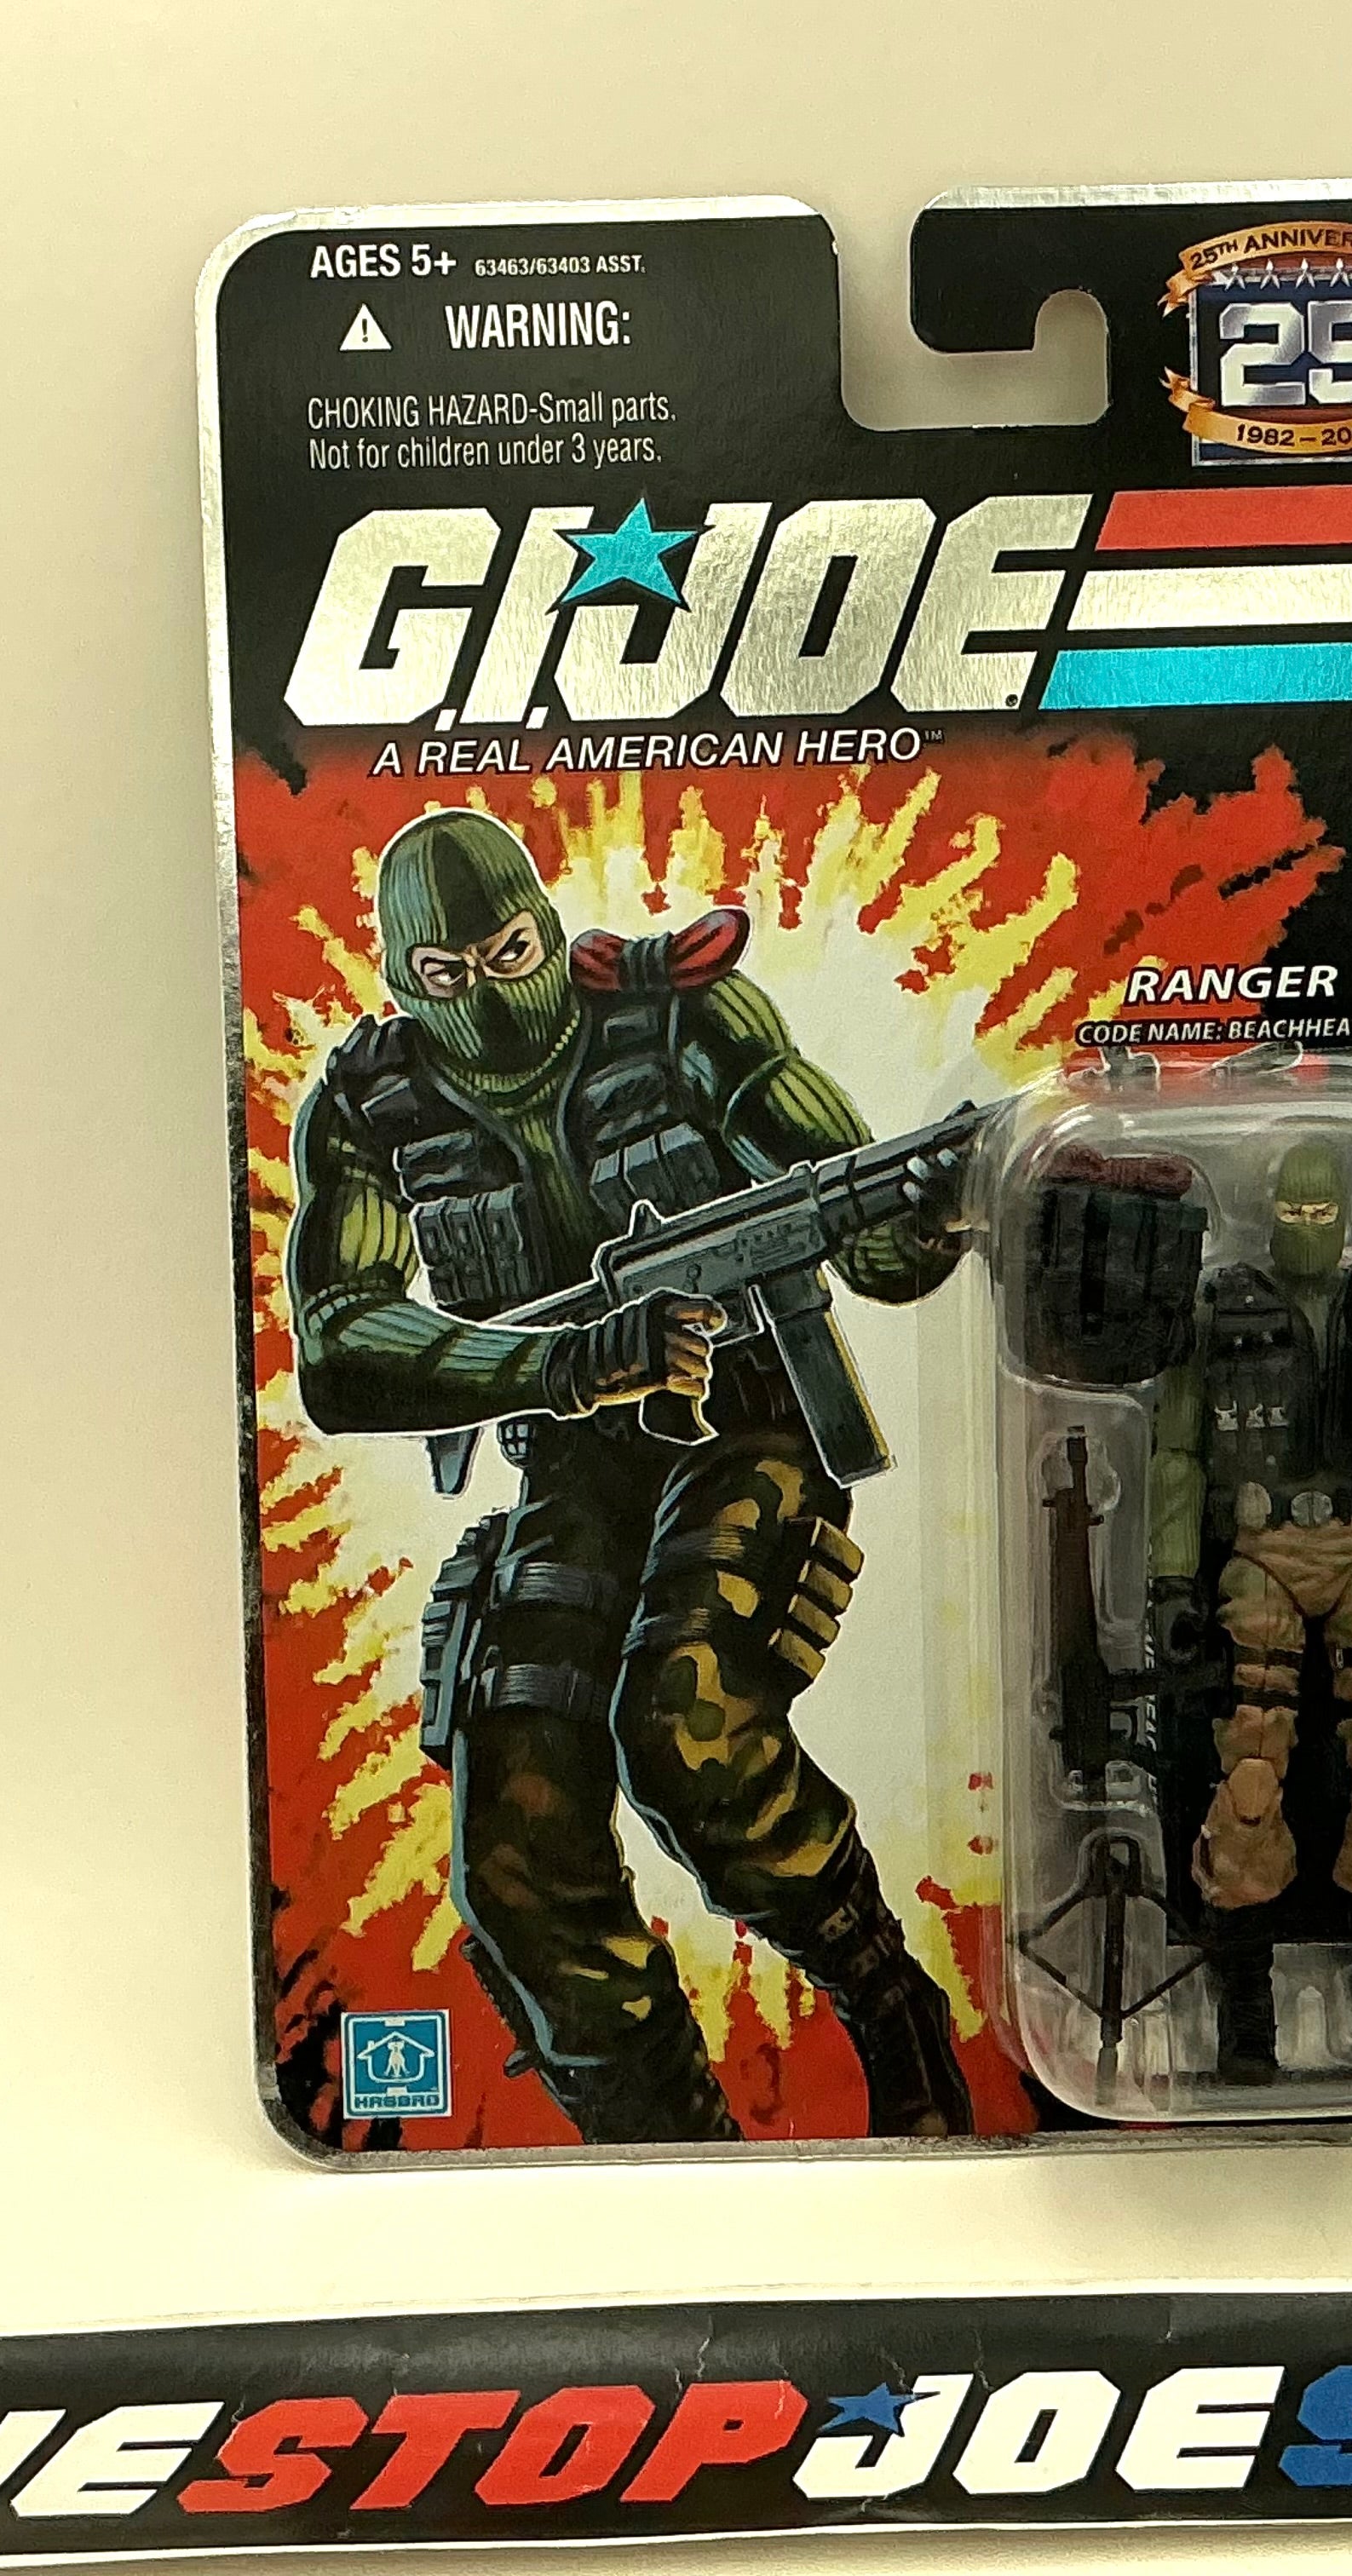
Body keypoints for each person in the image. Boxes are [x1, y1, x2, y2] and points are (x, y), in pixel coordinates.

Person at [285, 808, 973, 2143]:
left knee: (685, 1727)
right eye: (445, 974)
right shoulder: (373, 1106)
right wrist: (561, 1364)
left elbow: (877, 1245)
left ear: (547, 927)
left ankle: (886, 1996)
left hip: (750, 1422)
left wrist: (935, 1205)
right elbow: (339, 1349)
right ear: (401, 981)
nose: (490, 994)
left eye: (511, 951)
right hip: (572, 1465)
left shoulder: (681, 1020)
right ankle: (659, 2145)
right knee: (516, 1859)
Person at [1147, 1141, 1352, 2080]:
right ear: (1270, 1211)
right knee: (1249, 1766)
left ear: (1341, 1216)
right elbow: (1177, 1455)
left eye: (1319, 1214)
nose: (1304, 1229)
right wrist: (1173, 1583)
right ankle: (1245, 2009)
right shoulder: (1216, 1317)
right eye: (1289, 1213)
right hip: (1259, 1555)